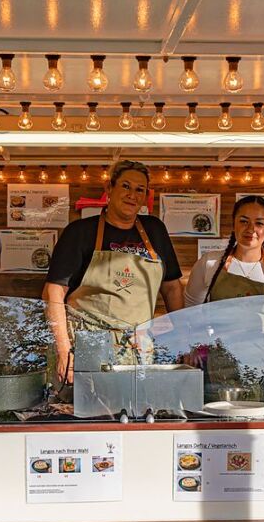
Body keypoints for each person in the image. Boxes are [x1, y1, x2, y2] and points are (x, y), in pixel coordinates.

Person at [43, 160, 184, 383]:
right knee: (89, 410)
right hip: (89, 342)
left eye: (140, 190)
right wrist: (63, 350)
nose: (132, 195)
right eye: (126, 186)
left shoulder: (155, 231)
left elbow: (172, 288)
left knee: (136, 410)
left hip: (139, 344)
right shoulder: (80, 232)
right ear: (109, 189)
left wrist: (182, 337)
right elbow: (53, 292)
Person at [184, 195, 264, 359]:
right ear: (233, 224)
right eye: (244, 221)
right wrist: (196, 347)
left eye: (259, 223)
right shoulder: (209, 264)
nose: (251, 229)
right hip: (223, 368)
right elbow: (190, 315)